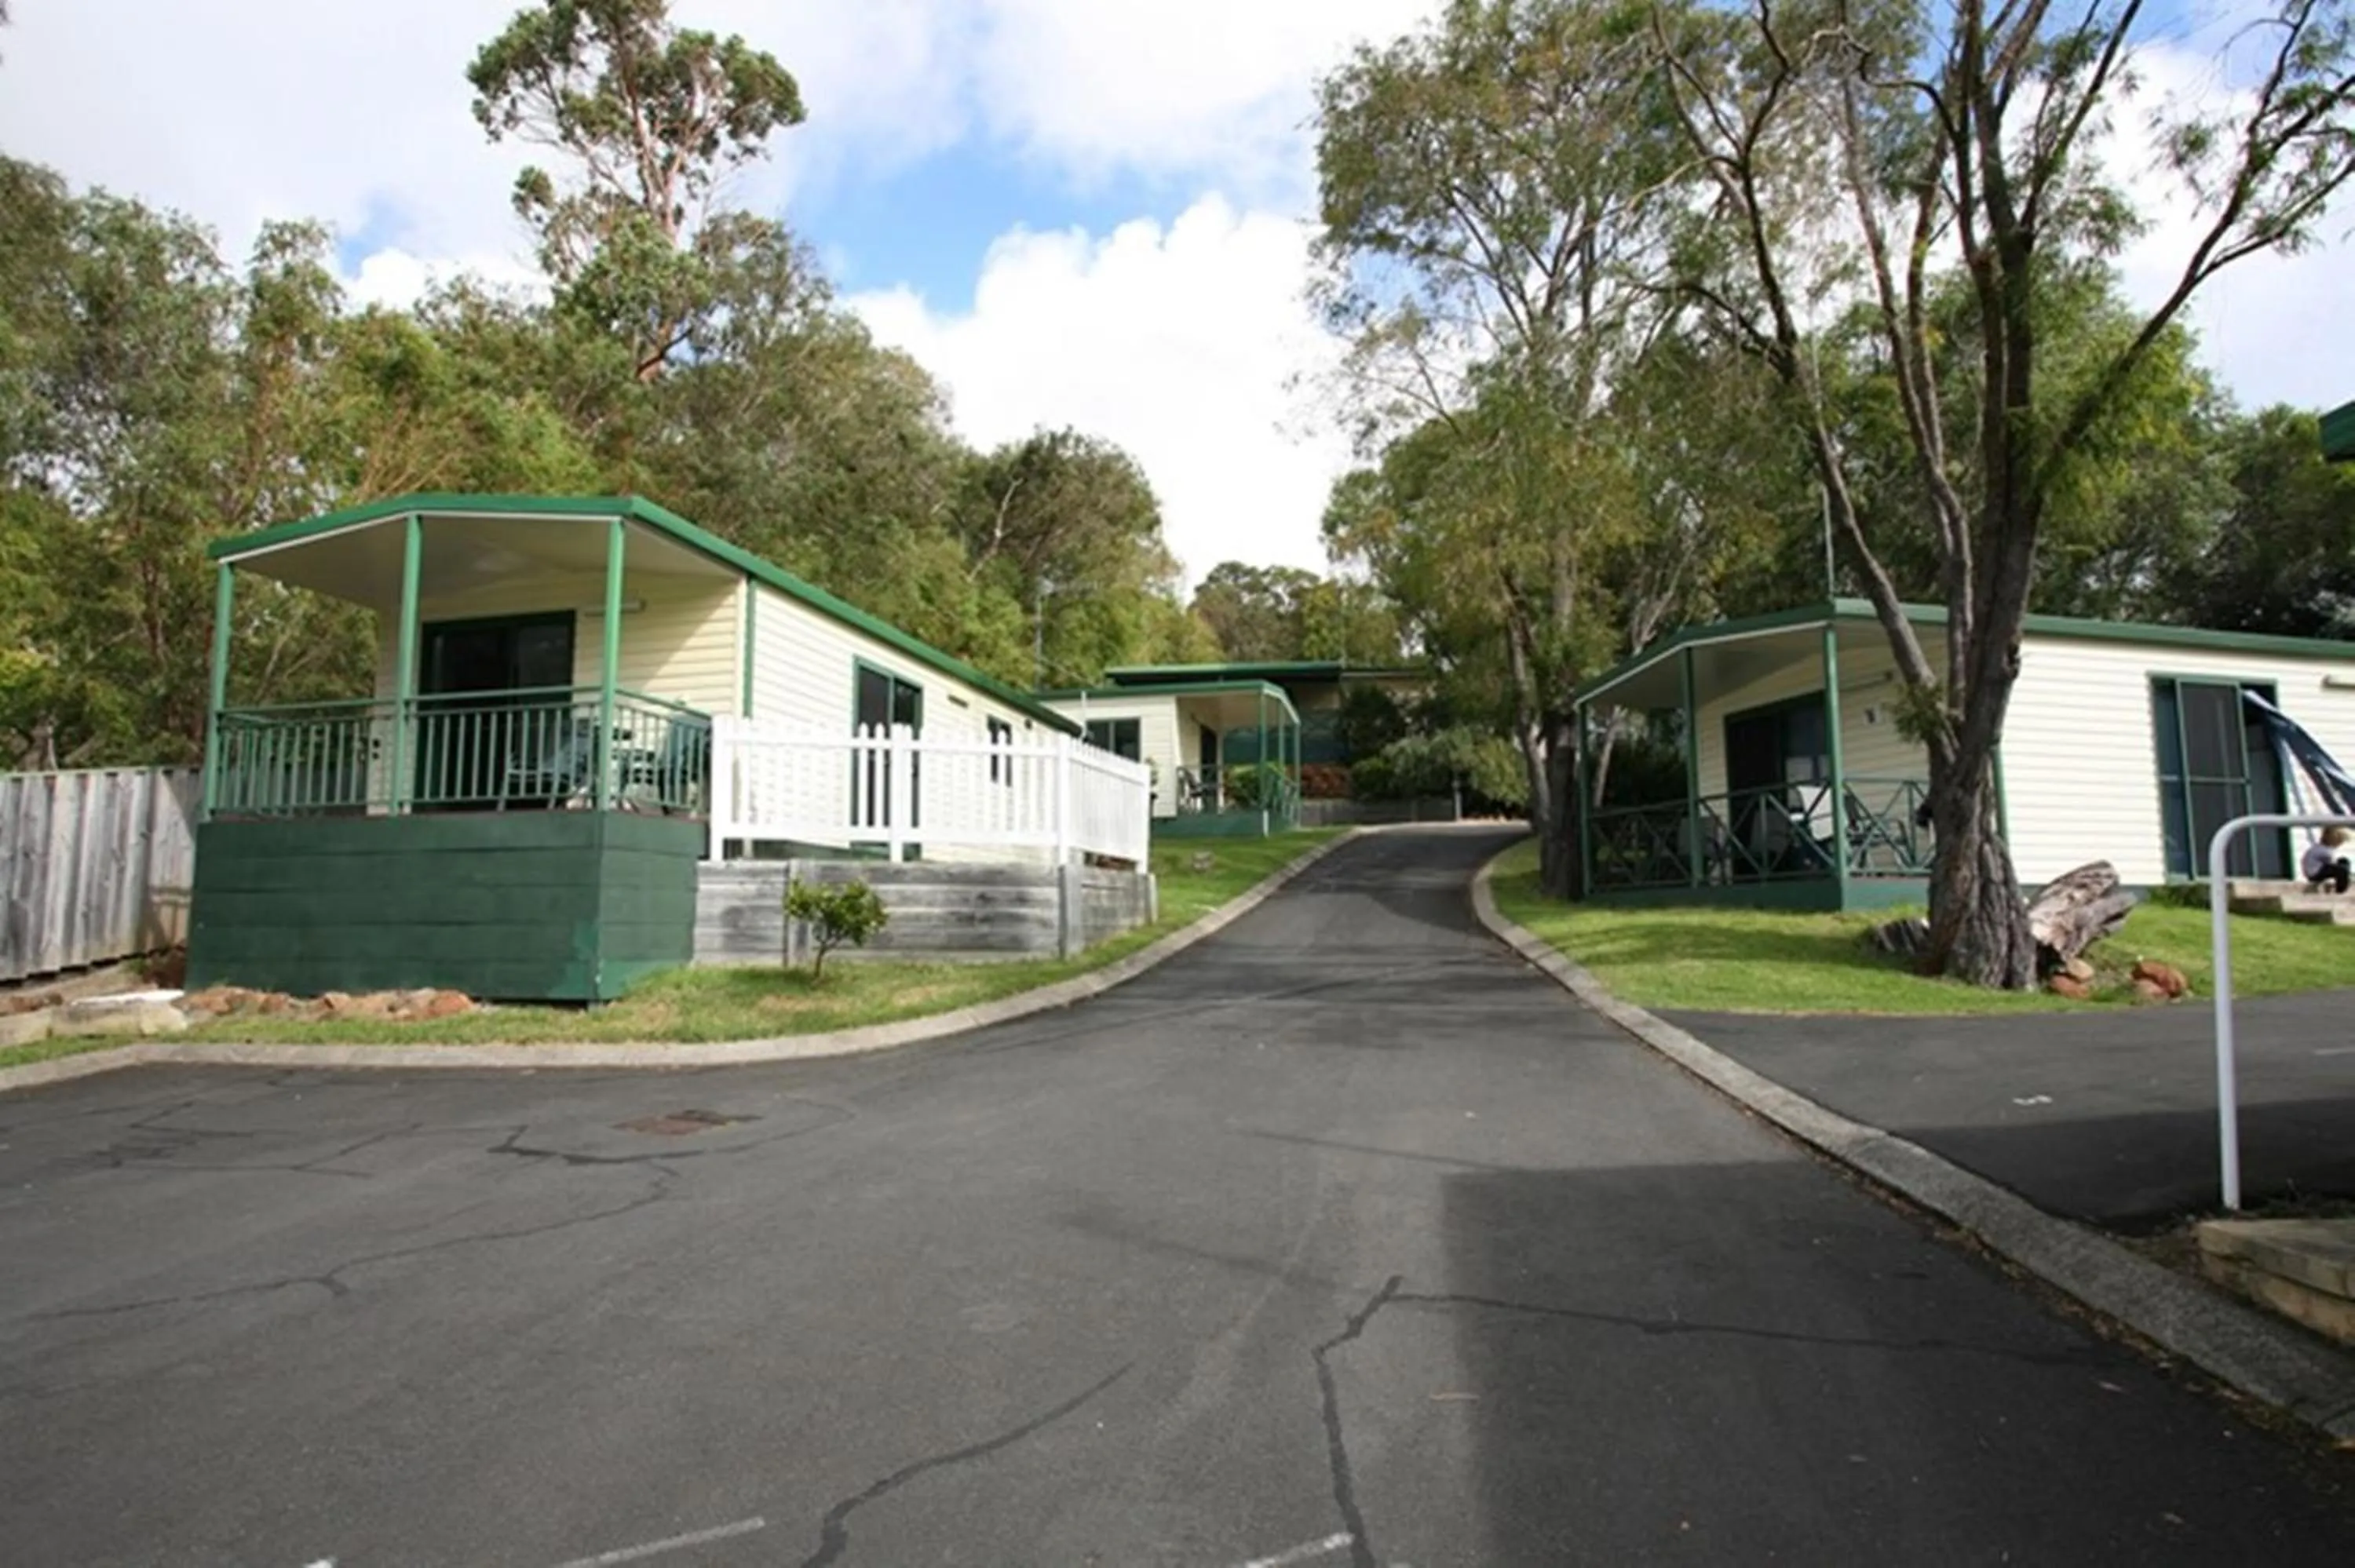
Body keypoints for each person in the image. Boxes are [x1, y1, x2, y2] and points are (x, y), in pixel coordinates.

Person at [2302, 825, 2352, 895]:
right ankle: (2340, 890)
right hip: (2315, 873)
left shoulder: (2319, 847)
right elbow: (2331, 862)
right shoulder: (2325, 851)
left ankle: (2343, 882)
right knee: (2342, 870)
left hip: (2317, 869)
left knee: (2343, 862)